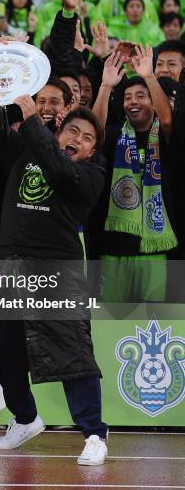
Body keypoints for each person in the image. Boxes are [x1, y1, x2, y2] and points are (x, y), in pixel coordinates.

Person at [0, 100, 108, 465]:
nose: (77, 140)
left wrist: (32, 116)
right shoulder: (27, 148)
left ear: (93, 150)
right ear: (58, 132)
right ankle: (26, 418)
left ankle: (94, 433)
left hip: (57, 272)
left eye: (86, 138)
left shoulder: (92, 175)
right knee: (1, 348)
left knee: (73, 354)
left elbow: (60, 170)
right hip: (11, 265)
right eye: (72, 132)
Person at [91, 46, 177, 301]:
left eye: (141, 96)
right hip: (114, 247)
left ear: (152, 101)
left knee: (154, 324)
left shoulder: (163, 136)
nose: (133, 102)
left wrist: (150, 77)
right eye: (128, 97)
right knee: (111, 323)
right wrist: (106, 88)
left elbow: (168, 119)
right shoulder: (116, 135)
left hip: (155, 250)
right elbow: (94, 132)